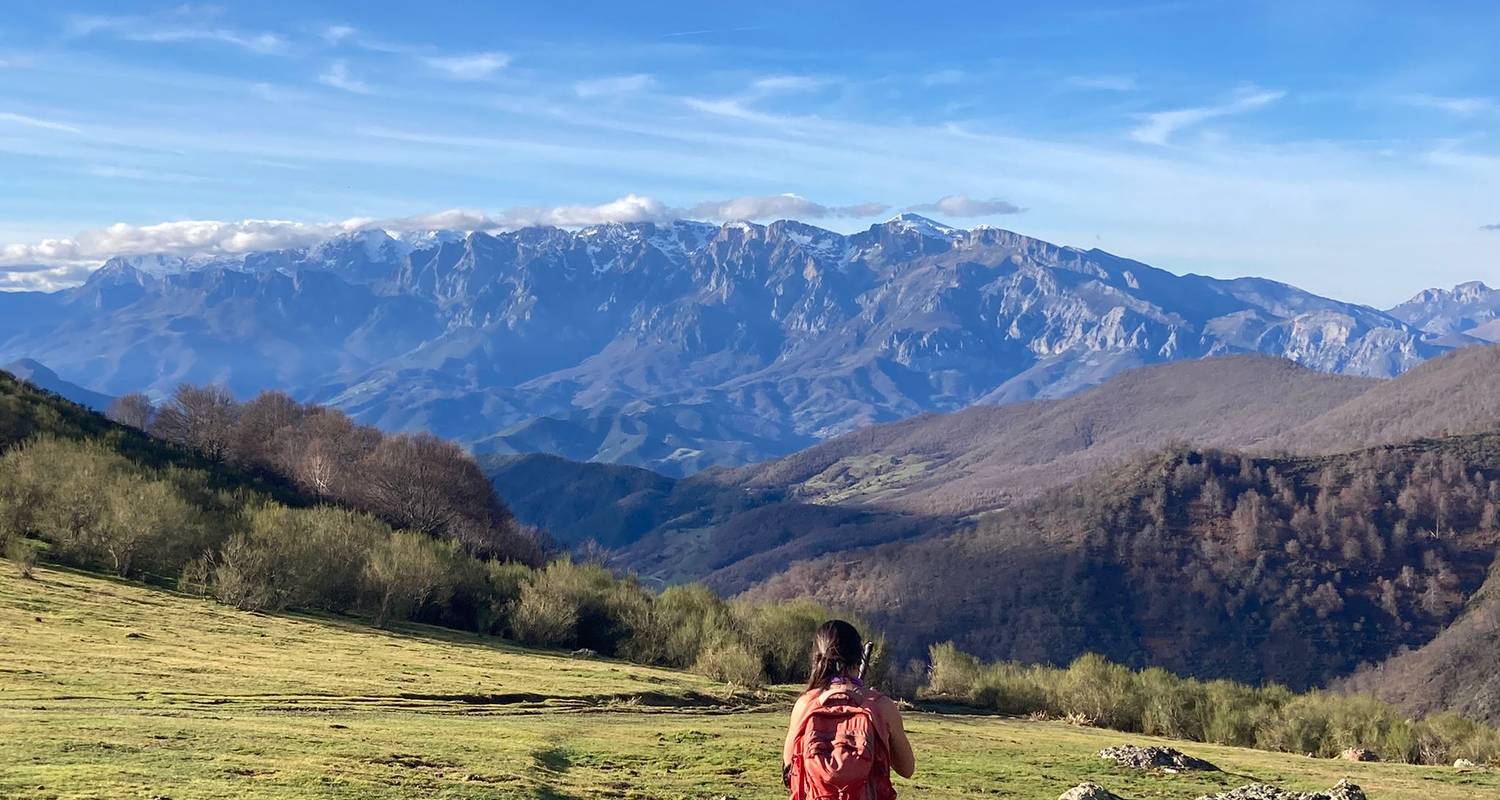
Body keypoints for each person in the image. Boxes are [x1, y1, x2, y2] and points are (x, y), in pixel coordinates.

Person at [782, 620, 915, 799]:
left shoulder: (805, 705)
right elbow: (907, 768)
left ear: (817, 657)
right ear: (859, 657)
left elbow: (790, 769)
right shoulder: (881, 706)